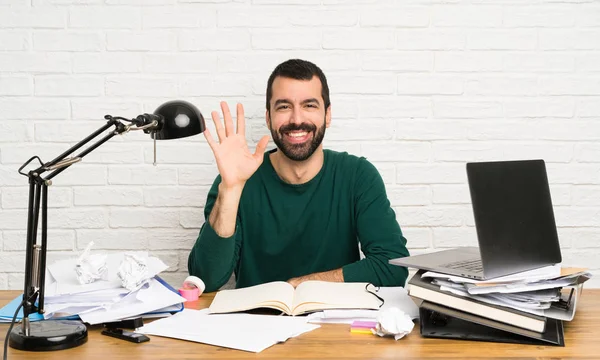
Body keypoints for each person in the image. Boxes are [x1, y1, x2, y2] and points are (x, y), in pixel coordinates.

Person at [188, 59, 409, 292]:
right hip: (256, 323)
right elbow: (206, 279)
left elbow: (392, 267)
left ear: (328, 115)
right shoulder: (236, 179)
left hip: (337, 325)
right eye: (283, 107)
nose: (296, 119)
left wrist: (302, 285)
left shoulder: (358, 176)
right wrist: (231, 190)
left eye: (309, 105)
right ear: (268, 117)